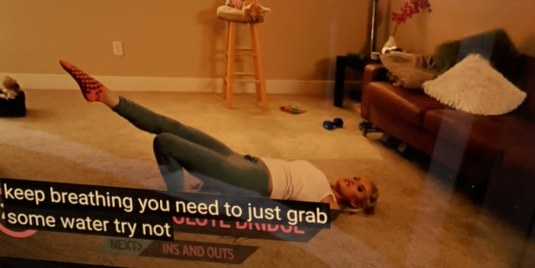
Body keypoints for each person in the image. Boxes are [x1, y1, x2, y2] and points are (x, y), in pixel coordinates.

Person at [60, 61, 379, 212]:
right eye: (358, 178)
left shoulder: (329, 203)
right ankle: (105, 96)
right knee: (171, 127)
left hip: (249, 179)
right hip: (243, 161)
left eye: (360, 188)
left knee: (165, 143)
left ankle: (178, 204)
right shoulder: (325, 183)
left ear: (356, 202)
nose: (353, 181)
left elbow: (308, 220)